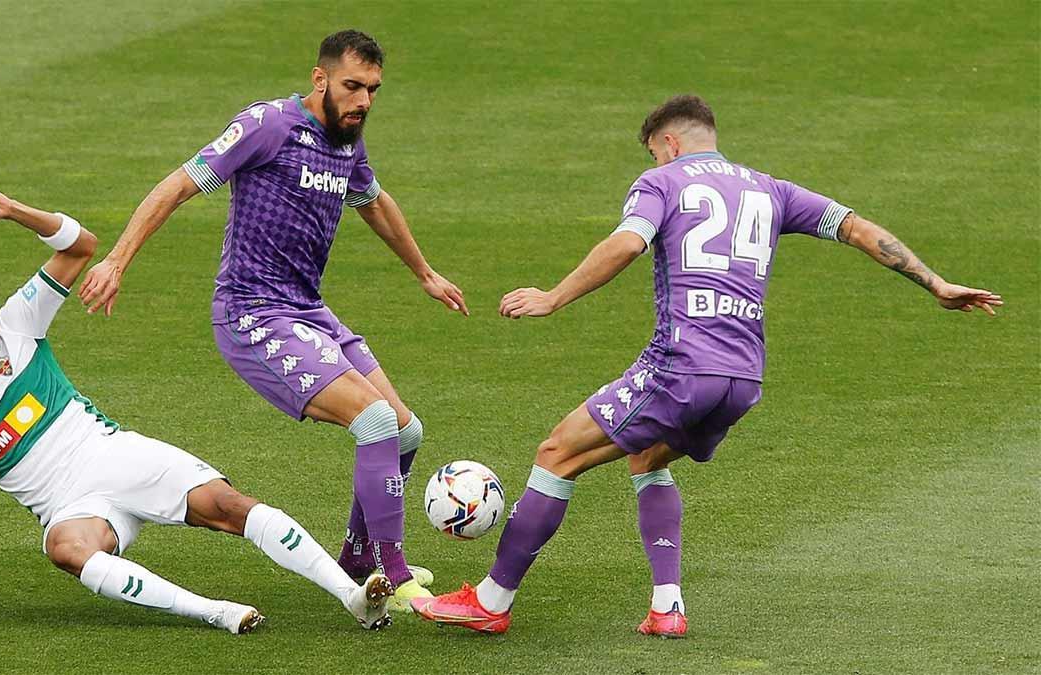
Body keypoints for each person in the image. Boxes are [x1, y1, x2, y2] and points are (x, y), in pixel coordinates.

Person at [411, 95, 1003, 637]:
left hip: (680, 368)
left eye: (652, 150)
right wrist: (935, 283)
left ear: (667, 143)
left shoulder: (662, 182)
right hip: (744, 379)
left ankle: (490, 601)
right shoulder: (770, 189)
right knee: (646, 457)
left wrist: (552, 297)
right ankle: (667, 606)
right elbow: (856, 227)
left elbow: (626, 243)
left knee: (556, 453)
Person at [77, 29, 466, 611]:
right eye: (353, 86)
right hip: (251, 313)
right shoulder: (269, 127)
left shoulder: (346, 140)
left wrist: (424, 272)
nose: (363, 101)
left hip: (306, 309)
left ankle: (361, 557)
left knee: (405, 431)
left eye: (374, 90)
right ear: (320, 79)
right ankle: (396, 573)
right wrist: (116, 259)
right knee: (376, 423)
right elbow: (180, 185)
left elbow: (375, 202)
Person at [0, 187, 395, 634]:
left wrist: (12, 211)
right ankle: (216, 612)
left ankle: (353, 597)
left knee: (228, 506)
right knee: (64, 550)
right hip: (67, 506)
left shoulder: (17, 326)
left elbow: (80, 246)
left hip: (113, 454)